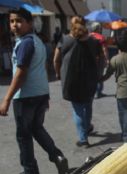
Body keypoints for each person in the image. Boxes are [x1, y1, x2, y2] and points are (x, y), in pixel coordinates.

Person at [0, 8, 68, 174]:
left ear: (29, 23)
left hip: (25, 96)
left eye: (19, 21)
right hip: (39, 93)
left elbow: (21, 74)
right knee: (37, 128)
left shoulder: (25, 44)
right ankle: (57, 156)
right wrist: (46, 94)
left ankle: (30, 171)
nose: (15, 25)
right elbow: (43, 69)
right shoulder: (37, 41)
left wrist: (6, 99)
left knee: (23, 134)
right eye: (12, 21)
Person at [53, 16, 102, 147]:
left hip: (71, 80)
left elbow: (56, 59)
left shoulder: (64, 40)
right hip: (90, 79)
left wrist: (58, 73)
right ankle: (87, 127)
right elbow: (102, 59)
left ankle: (83, 138)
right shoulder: (94, 41)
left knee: (78, 110)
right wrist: (100, 74)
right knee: (88, 105)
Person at [89, 22, 108, 98]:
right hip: (99, 58)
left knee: (91, 75)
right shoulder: (101, 37)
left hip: (90, 58)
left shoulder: (88, 36)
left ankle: (92, 91)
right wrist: (107, 59)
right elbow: (104, 49)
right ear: (98, 29)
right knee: (99, 75)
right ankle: (98, 92)